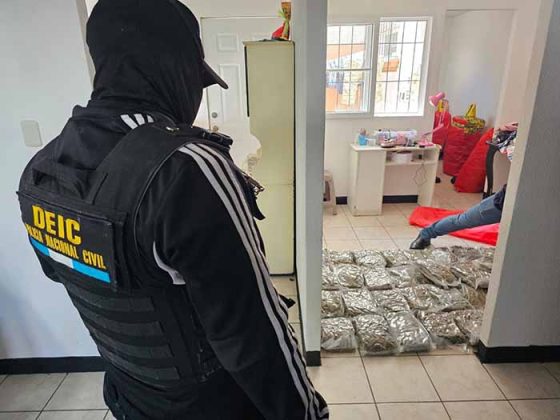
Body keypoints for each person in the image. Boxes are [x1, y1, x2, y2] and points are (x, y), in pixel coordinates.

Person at [17, 1, 328, 419]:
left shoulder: (41, 171)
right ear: (175, 68)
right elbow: (254, 334)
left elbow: (74, 280)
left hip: (131, 401)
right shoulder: (187, 170)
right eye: (197, 80)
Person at [410, 185, 506, 250]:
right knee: (462, 220)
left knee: (462, 220)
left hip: (503, 205)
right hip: (501, 205)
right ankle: (425, 235)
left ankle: (425, 235)